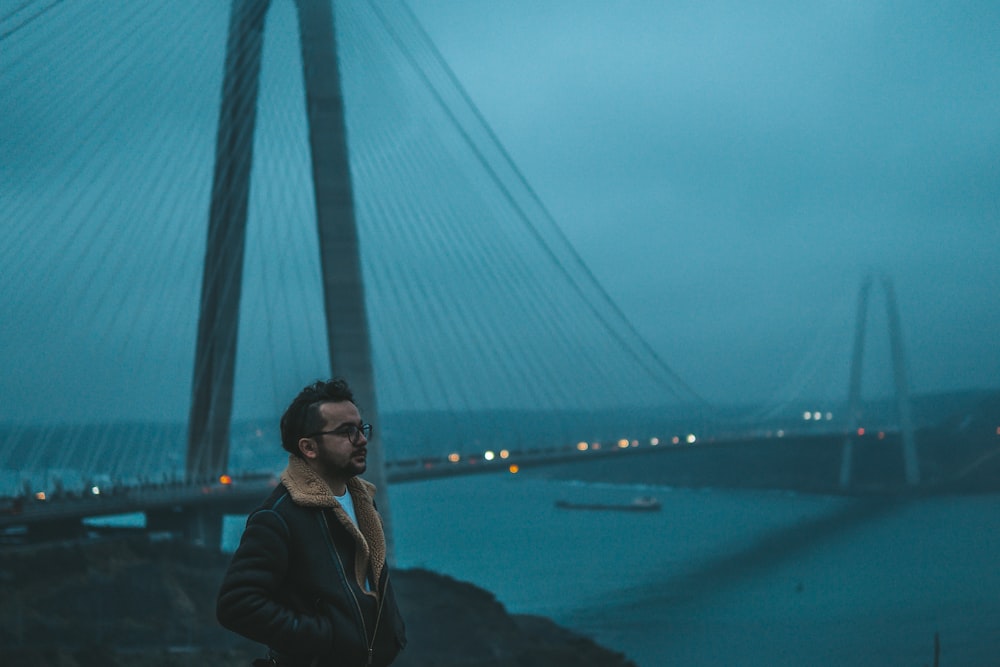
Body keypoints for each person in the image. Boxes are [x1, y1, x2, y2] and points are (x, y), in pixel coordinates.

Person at [217, 378, 406, 667]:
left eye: (362, 428)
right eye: (347, 432)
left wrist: (393, 633)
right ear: (309, 447)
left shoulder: (364, 503)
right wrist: (324, 639)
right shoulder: (279, 517)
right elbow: (236, 604)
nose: (363, 440)